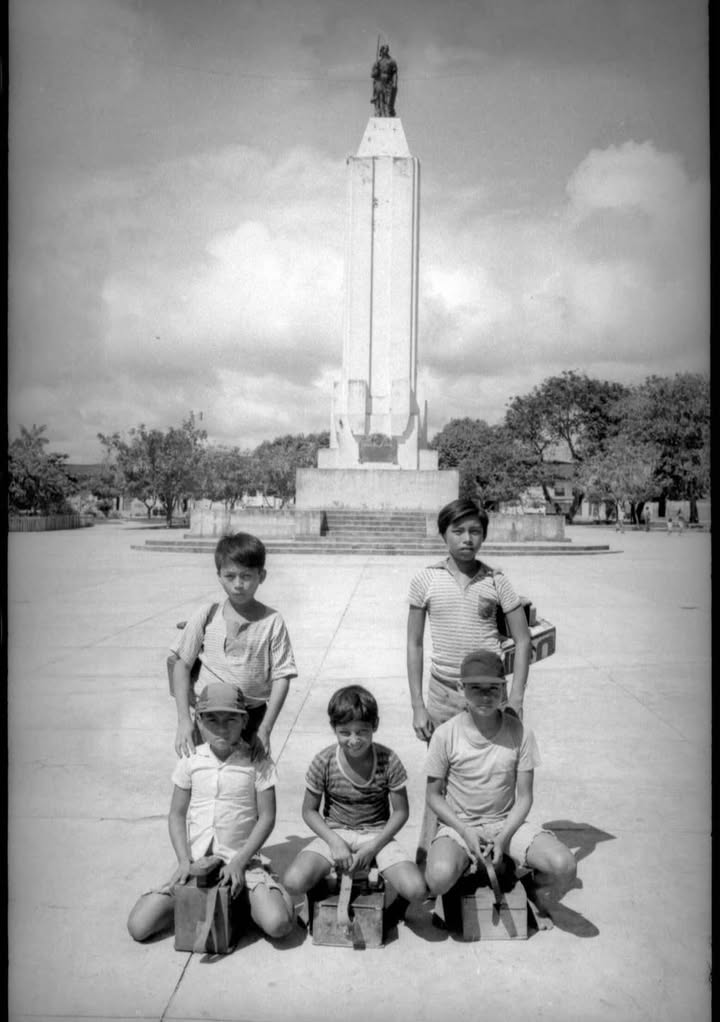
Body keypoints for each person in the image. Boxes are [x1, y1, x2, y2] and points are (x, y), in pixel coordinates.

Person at [127, 684, 295, 942]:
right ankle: (207, 902)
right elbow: (176, 815)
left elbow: (267, 817)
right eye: (212, 719)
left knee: (278, 924)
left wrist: (239, 862)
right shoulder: (191, 759)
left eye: (231, 719)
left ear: (244, 720)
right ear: (199, 721)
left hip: (242, 861)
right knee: (139, 926)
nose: (221, 727)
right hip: (197, 864)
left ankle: (255, 896)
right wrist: (184, 861)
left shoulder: (257, 761)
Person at [423, 650, 577, 927]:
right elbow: (434, 796)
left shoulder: (520, 733)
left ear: (503, 688)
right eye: (476, 689)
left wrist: (504, 837)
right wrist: (464, 830)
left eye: (493, 688)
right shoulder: (445, 734)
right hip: (462, 825)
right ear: (461, 688)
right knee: (437, 877)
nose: (485, 697)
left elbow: (525, 797)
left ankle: (534, 889)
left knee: (564, 866)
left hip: (506, 823)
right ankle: (471, 871)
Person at [283, 685, 427, 908]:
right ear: (334, 728)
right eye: (345, 732)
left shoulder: (389, 760)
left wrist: (374, 847)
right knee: (293, 883)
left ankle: (393, 903)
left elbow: (401, 812)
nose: (354, 740)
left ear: (375, 726)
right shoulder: (324, 761)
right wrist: (335, 842)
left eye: (362, 731)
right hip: (336, 832)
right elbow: (309, 811)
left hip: (376, 834)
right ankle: (320, 886)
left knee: (417, 891)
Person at [407, 498, 532, 738]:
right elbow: (415, 644)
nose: (467, 538)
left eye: (475, 531)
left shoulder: (496, 581)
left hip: (490, 694)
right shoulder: (425, 580)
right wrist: (417, 706)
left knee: (492, 769)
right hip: (443, 696)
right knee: (441, 770)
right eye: (458, 531)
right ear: (443, 534)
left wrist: (516, 699)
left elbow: (523, 639)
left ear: (483, 536)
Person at [171, 532, 297, 758]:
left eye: (246, 576)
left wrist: (265, 729)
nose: (238, 584)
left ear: (262, 575)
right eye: (230, 576)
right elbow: (182, 665)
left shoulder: (272, 622)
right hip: (208, 719)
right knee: (201, 776)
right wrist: (183, 721)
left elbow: (282, 677)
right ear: (219, 576)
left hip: (252, 720)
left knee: (250, 781)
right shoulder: (207, 614)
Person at [371, 44, 398, 117]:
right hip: (379, 83)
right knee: (380, 99)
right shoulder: (377, 63)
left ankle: (388, 113)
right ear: (381, 51)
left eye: (387, 49)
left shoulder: (392, 61)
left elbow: (395, 73)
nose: (386, 50)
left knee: (388, 100)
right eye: (384, 49)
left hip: (388, 82)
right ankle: (379, 113)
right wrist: (376, 70)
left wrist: (395, 83)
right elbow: (373, 75)